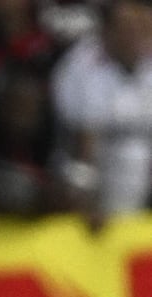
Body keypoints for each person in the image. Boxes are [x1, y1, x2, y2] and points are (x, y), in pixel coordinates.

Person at [50, 0, 152, 232]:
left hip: (141, 189)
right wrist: (87, 203)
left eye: (143, 28)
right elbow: (82, 150)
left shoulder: (148, 62)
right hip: (93, 188)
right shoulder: (82, 66)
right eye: (128, 29)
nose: (137, 36)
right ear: (107, 30)